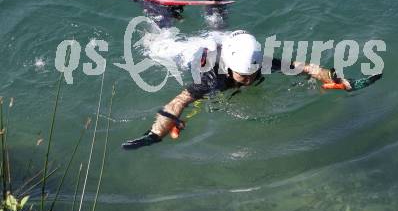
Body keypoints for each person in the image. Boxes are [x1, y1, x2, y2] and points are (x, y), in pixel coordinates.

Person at [122, 30, 382, 149]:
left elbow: (305, 66)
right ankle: (160, 21)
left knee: (216, 25)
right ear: (230, 69)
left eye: (252, 74)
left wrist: (343, 81)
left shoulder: (259, 63)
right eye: (243, 76)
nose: (249, 80)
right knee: (157, 43)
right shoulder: (213, 80)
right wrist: (156, 134)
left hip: (227, 42)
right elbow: (177, 103)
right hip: (189, 53)